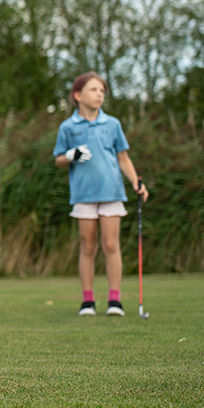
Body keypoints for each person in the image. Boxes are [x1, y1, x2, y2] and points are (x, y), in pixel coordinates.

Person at [52, 71, 149, 317]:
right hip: (83, 194)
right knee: (87, 246)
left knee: (110, 244)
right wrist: (70, 155)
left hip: (111, 191)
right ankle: (88, 302)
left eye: (102, 91)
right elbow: (59, 160)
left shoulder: (112, 124)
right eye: (94, 90)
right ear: (78, 95)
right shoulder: (68, 127)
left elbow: (123, 158)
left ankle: (114, 301)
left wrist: (136, 183)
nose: (99, 95)